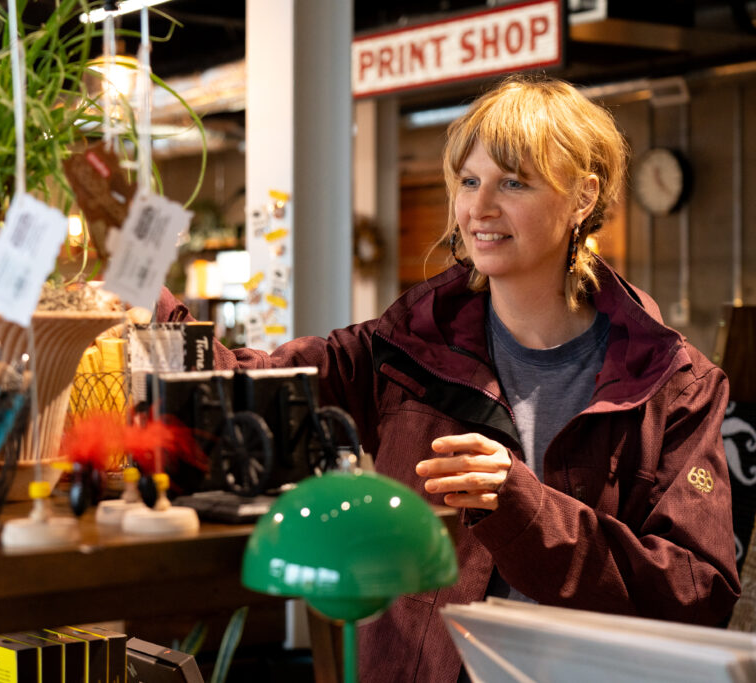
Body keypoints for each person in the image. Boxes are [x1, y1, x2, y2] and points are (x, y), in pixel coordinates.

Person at [156, 74, 740, 682]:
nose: (479, 209)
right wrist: (143, 294)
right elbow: (240, 390)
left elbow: (696, 597)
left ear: (582, 197)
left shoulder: (673, 383)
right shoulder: (406, 345)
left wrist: (521, 505)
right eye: (469, 181)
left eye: (513, 182)